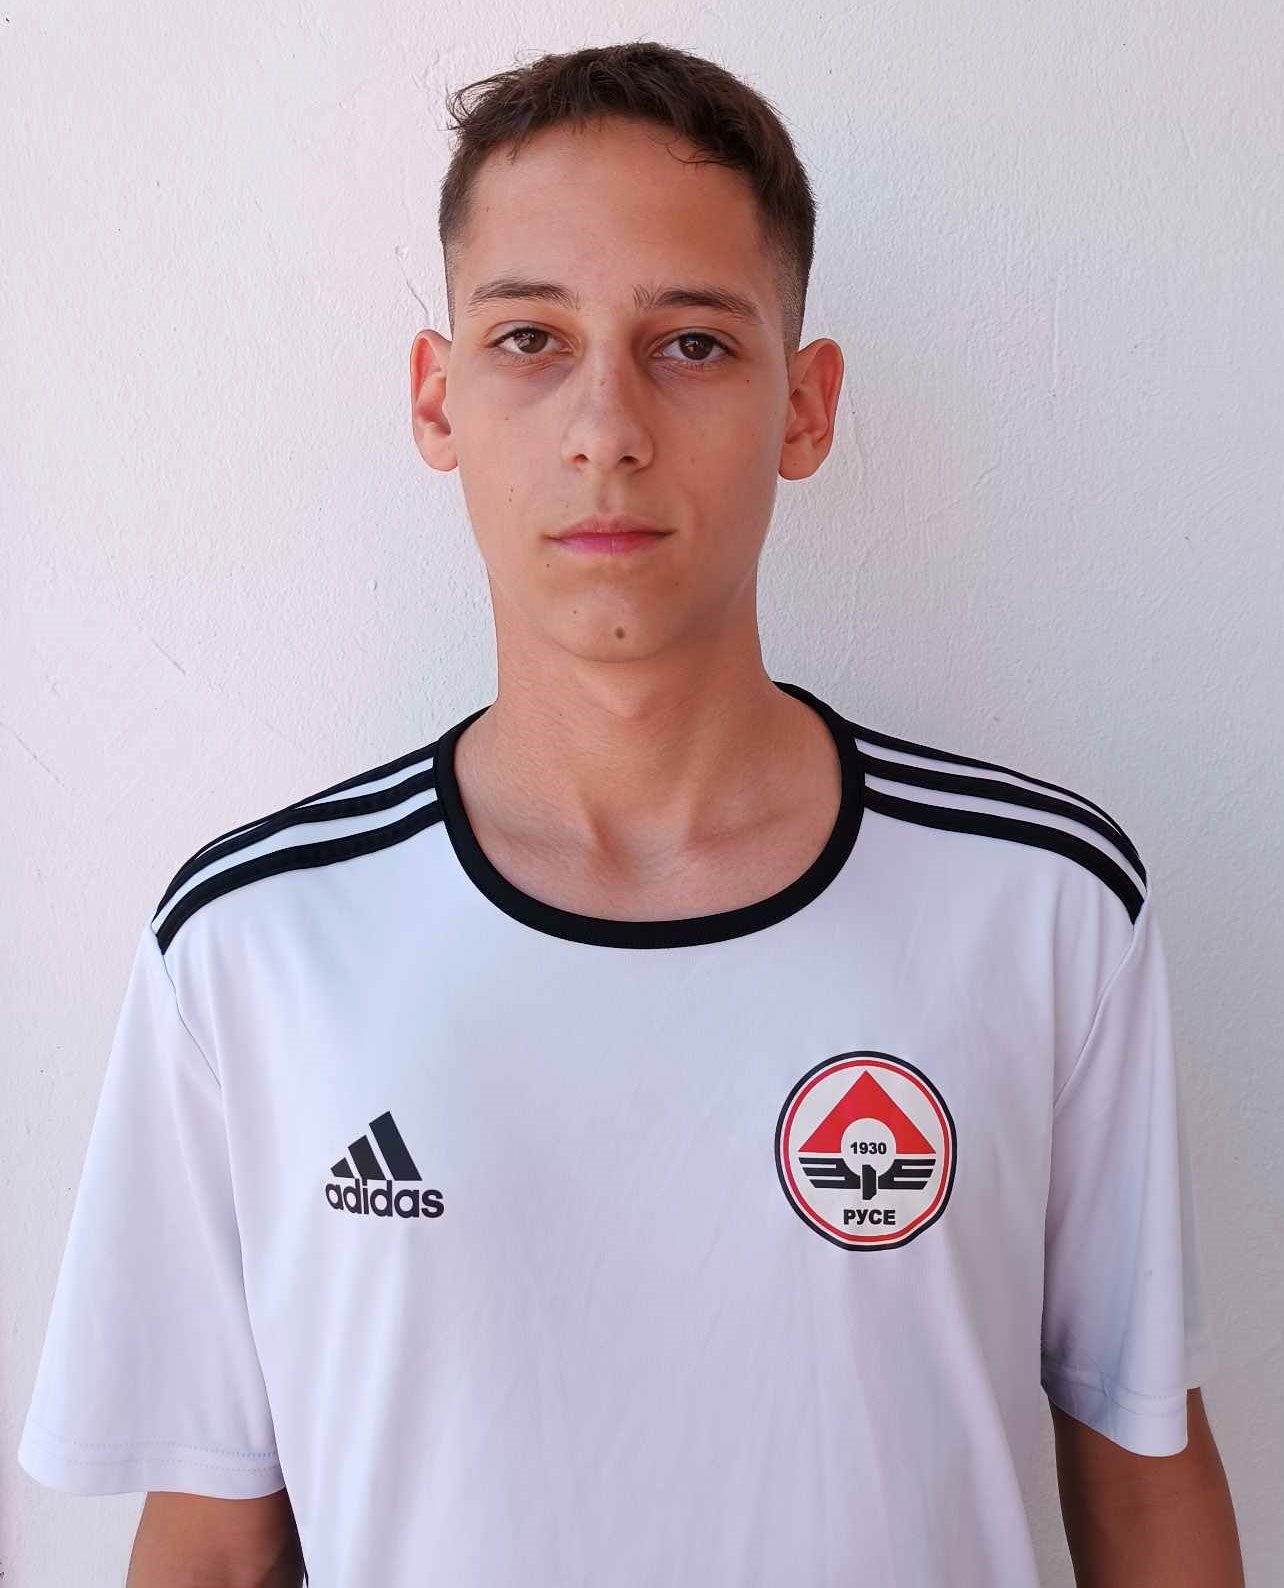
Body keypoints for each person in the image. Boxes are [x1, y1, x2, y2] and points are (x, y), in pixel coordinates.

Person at [18, 39, 1243, 1588]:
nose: (607, 425)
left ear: (806, 408)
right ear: (438, 397)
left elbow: (1143, 1490)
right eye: (530, 338)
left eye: (693, 344)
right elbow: (208, 1545)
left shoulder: (1041, 903)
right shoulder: (255, 942)